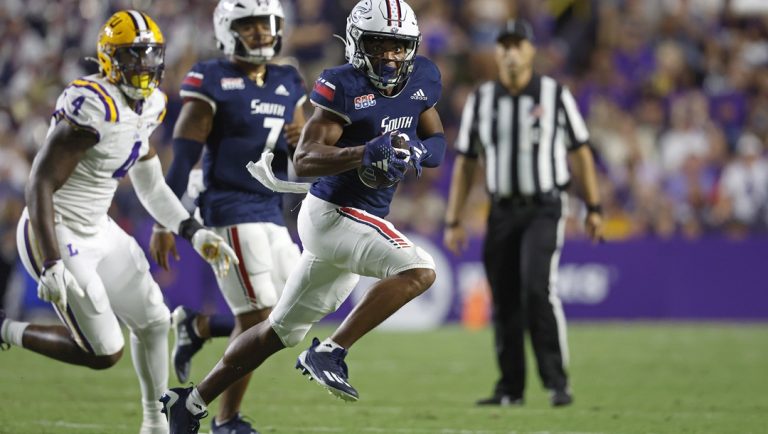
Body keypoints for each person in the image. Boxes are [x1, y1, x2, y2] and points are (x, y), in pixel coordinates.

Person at [159, 0, 447, 431]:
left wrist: (417, 152)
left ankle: (190, 403)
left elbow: (437, 141)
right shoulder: (342, 85)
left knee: (280, 330)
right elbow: (307, 158)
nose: (389, 55)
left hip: (352, 219)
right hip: (334, 213)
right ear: (355, 43)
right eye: (378, 44)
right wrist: (364, 153)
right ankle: (331, 351)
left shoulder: (422, 77)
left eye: (397, 45)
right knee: (420, 270)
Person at [0, 11, 237, 434]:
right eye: (133, 55)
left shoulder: (153, 104)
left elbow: (151, 187)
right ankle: (5, 328)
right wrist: (51, 261)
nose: (144, 65)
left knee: (154, 320)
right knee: (104, 351)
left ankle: (155, 424)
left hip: (98, 227)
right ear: (110, 58)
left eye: (150, 55)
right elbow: (40, 180)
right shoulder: (94, 105)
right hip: (54, 228)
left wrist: (193, 232)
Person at [148, 0, 306, 432]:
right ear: (227, 30)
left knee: (298, 312)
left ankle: (197, 326)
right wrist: (166, 221)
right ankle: (224, 418)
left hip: (271, 210)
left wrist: (301, 139)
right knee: (259, 318)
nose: (259, 32)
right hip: (228, 207)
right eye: (248, 24)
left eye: (266, 23)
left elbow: (304, 157)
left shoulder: (289, 79)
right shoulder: (211, 78)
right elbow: (182, 160)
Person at [443, 19, 603, 408]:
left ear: (532, 51)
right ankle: (510, 388)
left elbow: (580, 150)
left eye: (519, 45)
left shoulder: (554, 95)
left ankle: (556, 382)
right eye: (505, 46)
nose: (511, 53)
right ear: (496, 53)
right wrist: (454, 218)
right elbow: (465, 162)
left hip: (545, 206)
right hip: (501, 209)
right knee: (505, 297)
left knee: (536, 288)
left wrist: (594, 206)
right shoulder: (481, 100)